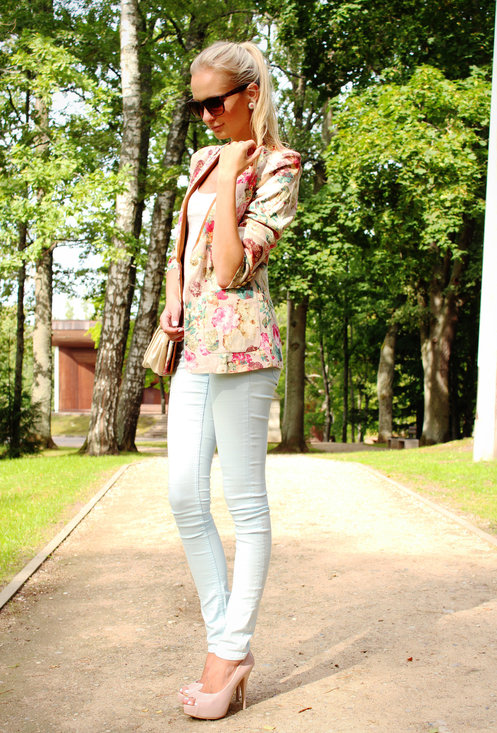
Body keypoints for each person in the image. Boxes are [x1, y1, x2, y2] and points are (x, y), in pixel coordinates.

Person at [160, 40, 301, 721]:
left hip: (244, 350)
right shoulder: (201, 158)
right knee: (184, 495)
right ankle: (226, 641)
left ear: (250, 94)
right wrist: (170, 298)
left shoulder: (280, 166)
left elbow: (228, 268)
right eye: (198, 105)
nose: (207, 115)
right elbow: (183, 251)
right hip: (194, 348)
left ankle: (228, 650)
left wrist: (228, 179)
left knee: (245, 503)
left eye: (216, 101)